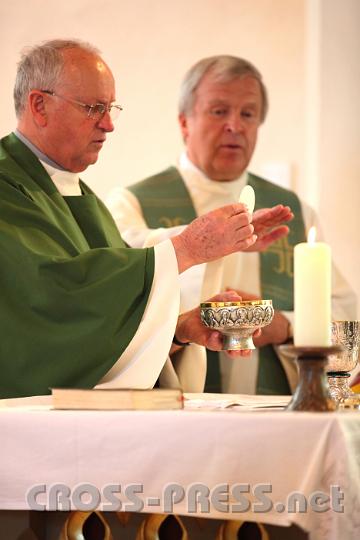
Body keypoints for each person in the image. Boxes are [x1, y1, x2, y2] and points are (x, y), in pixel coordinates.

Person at [0, 41, 292, 399]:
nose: (108, 125)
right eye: (93, 108)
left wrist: (180, 330)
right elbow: (54, 298)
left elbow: (100, 321)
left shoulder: (80, 194)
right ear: (39, 105)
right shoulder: (6, 185)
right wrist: (187, 248)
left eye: (110, 109)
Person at [106, 55, 357, 395]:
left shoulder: (296, 212)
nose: (235, 126)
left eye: (248, 114)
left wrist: (284, 324)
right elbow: (118, 294)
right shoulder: (132, 204)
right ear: (184, 122)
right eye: (219, 111)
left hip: (278, 416)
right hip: (175, 418)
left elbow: (345, 313)